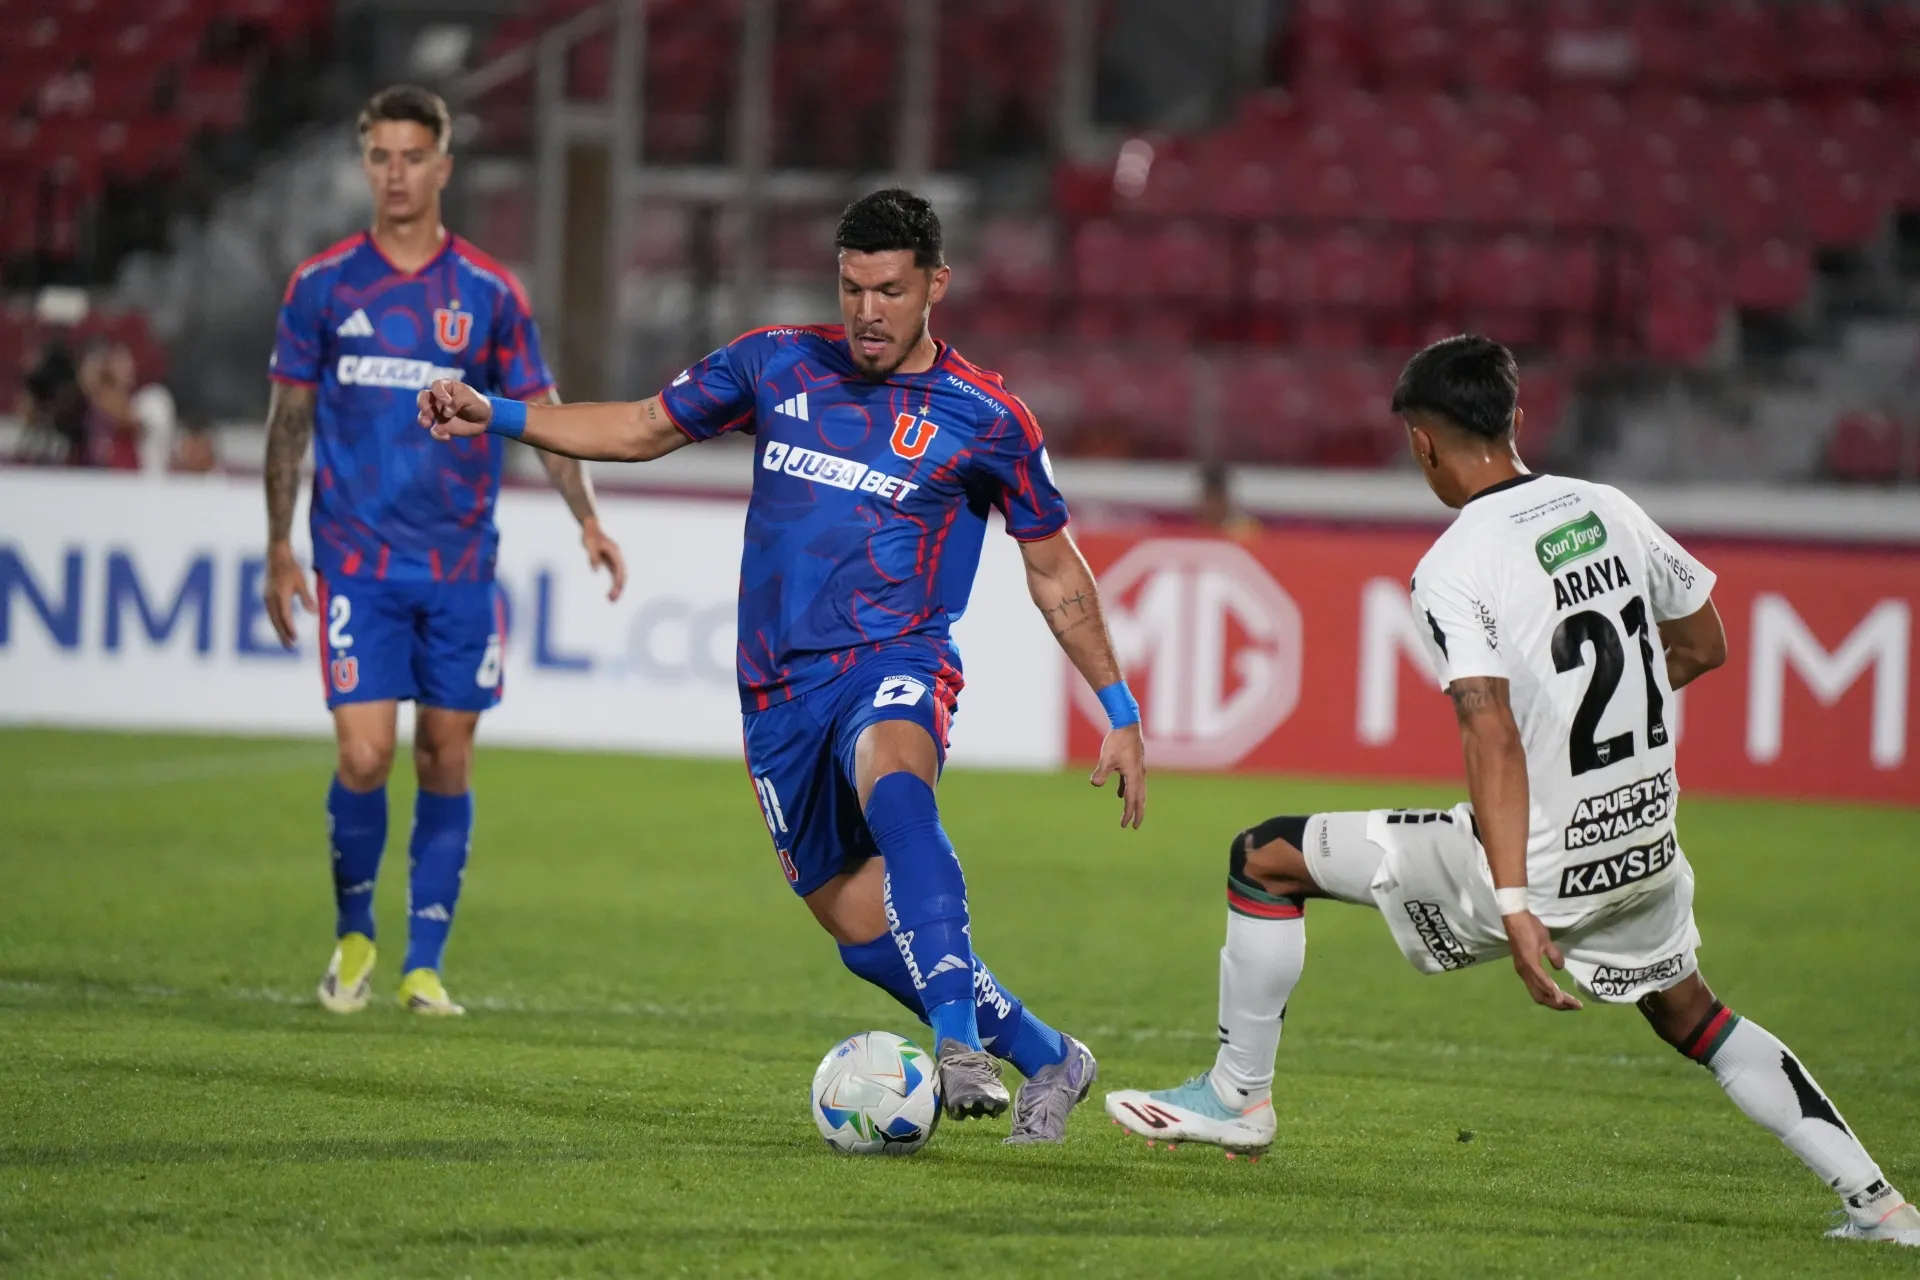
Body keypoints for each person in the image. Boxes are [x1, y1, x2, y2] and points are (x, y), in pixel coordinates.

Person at [1106, 335, 1919, 1248]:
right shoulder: (1608, 508)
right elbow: (1702, 644)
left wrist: (1518, 901)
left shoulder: (1456, 564)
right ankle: (1882, 1204)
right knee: (1692, 1013)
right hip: (1645, 842)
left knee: (1265, 858)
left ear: (1421, 444)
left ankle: (1237, 1096)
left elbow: (1487, 727)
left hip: (1543, 860)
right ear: (1516, 419)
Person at [417, 188, 1147, 1143]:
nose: (868, 312)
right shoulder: (775, 363)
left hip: (895, 655)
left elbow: (1054, 571)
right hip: (776, 694)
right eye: (852, 288)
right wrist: (496, 413)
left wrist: (1119, 707)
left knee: (898, 784)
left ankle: (958, 1043)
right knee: (860, 931)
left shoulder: (987, 417)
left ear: (936, 285)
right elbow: (640, 427)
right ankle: (1052, 1056)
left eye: (890, 290)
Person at [262, 85, 628, 1018]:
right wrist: (277, 544)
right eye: (380, 157)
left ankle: (423, 964)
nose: (396, 174)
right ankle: (355, 935)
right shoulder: (322, 286)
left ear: (443, 167)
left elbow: (539, 415)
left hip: (460, 568)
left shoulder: (489, 293)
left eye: (412, 157)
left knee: (444, 758)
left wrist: (586, 517)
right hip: (356, 561)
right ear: (366, 165)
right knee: (363, 755)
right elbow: (288, 421)